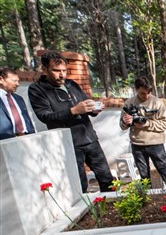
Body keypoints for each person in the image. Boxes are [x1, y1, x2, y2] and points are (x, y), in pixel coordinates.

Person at [29, 51, 113, 193]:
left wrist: (93, 109)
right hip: (68, 144)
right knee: (80, 185)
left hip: (90, 139)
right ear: (44, 69)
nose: (62, 75)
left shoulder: (71, 84)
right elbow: (45, 116)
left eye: (64, 70)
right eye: (56, 71)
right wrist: (73, 111)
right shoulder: (37, 89)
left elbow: (84, 106)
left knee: (107, 179)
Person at [120, 76, 166, 188]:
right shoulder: (129, 103)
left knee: (164, 171)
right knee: (144, 176)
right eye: (142, 93)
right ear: (136, 89)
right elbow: (122, 126)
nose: (146, 96)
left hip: (156, 144)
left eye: (148, 92)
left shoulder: (157, 103)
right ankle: (147, 200)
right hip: (137, 145)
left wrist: (147, 124)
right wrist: (126, 122)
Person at [0, 67, 36, 140]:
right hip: (5, 142)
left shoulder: (18, 99)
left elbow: (27, 120)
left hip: (27, 139)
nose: (17, 84)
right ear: (1, 79)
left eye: (18, 81)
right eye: (14, 81)